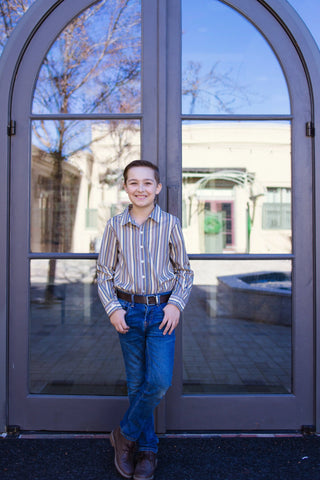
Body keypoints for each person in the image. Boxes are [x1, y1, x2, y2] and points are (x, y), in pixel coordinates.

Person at [97, 160, 193, 480]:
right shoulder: (114, 226)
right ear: (125, 187)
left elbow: (184, 271)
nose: (141, 189)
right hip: (128, 311)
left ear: (158, 188)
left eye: (147, 183)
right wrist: (113, 308)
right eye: (133, 183)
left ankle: (123, 434)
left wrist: (176, 305)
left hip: (162, 313)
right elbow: (104, 274)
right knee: (137, 384)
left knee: (159, 381)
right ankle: (147, 451)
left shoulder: (170, 224)